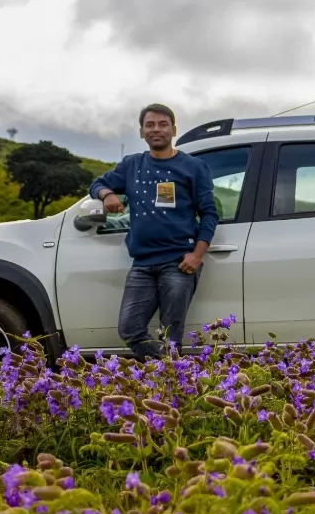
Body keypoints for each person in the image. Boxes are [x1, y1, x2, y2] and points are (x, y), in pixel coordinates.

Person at [88, 103, 219, 360]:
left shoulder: (193, 167)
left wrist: (197, 255)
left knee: (170, 334)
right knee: (129, 329)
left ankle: (170, 383)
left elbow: (209, 213)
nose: (156, 129)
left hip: (178, 262)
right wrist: (108, 194)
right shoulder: (131, 165)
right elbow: (98, 183)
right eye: (150, 125)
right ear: (141, 132)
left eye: (162, 124)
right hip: (142, 264)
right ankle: (175, 370)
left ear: (173, 129)